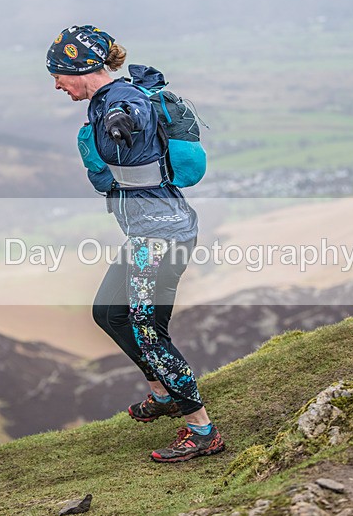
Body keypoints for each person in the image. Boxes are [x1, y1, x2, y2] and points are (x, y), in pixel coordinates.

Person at [46, 24, 225, 463]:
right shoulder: (106, 101)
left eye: (59, 74)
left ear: (82, 68)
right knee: (108, 312)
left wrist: (121, 124)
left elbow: (132, 117)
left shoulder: (123, 103)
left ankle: (203, 430)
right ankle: (163, 394)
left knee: (147, 331)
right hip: (148, 236)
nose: (56, 84)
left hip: (163, 240)